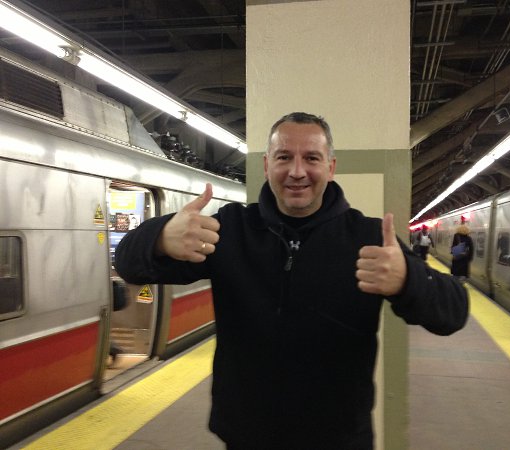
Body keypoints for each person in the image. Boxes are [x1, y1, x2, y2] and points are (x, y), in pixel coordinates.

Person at [114, 112, 468, 450]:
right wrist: (159, 238)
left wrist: (408, 280)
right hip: (245, 435)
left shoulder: (369, 237)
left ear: (330, 168)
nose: (297, 172)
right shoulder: (231, 230)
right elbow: (129, 265)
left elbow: (453, 312)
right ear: (267, 165)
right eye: (284, 157)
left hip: (339, 439)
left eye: (311, 158)